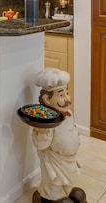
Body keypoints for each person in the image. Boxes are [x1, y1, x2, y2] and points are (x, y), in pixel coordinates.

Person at [31, 68, 82, 202]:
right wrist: (40, 131)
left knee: (78, 195)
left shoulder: (68, 114)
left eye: (67, 93)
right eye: (61, 95)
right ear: (47, 100)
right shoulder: (48, 123)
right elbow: (41, 144)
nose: (67, 99)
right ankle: (48, 198)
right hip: (55, 169)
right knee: (59, 195)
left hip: (69, 164)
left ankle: (67, 192)